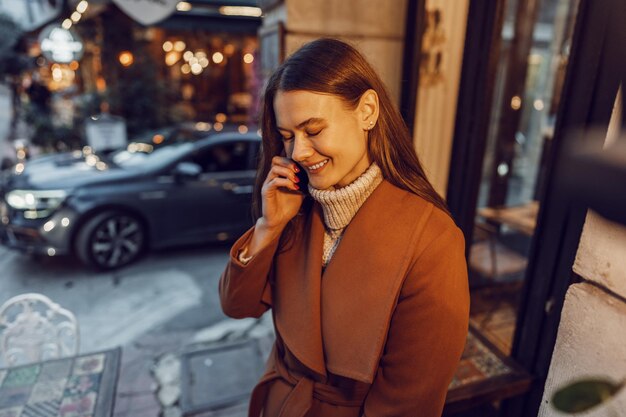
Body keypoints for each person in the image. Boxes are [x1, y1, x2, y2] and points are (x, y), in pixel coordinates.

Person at [219, 38, 470, 417]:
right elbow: (238, 305)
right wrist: (268, 227)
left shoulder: (431, 240)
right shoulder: (293, 211)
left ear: (367, 111)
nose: (297, 153)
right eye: (287, 136)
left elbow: (408, 404)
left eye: (314, 129)